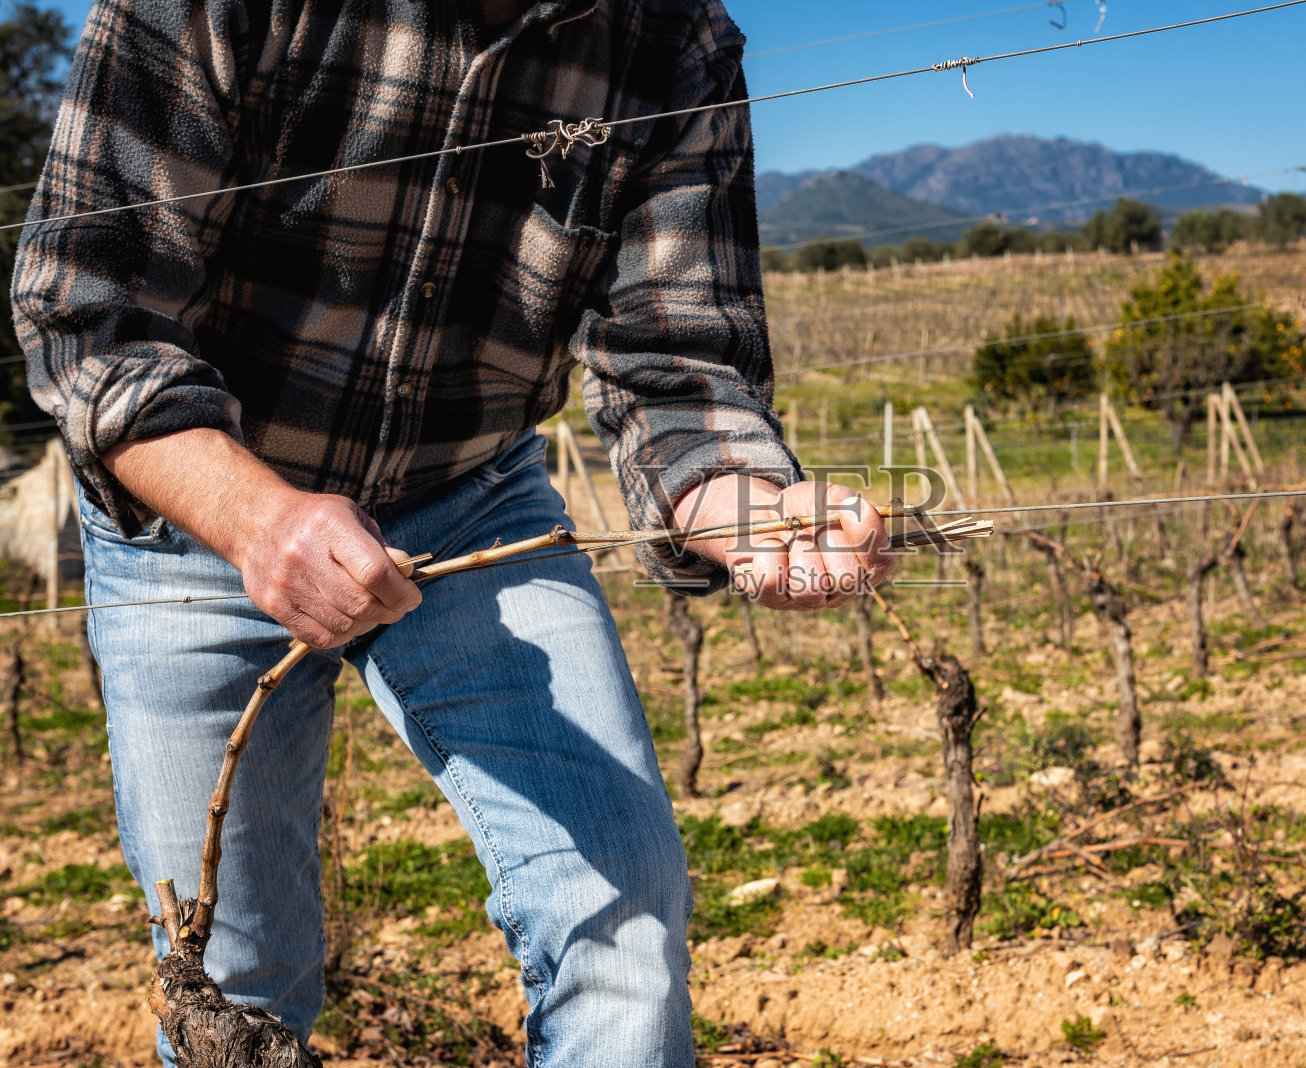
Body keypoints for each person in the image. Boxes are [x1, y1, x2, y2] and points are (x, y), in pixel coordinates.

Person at [11, 0, 894, 1064]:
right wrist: (255, 516)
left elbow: (675, 361)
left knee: (623, 924)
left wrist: (751, 509)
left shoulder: (671, 38)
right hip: (192, 514)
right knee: (235, 996)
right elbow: (89, 308)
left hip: (469, 496)